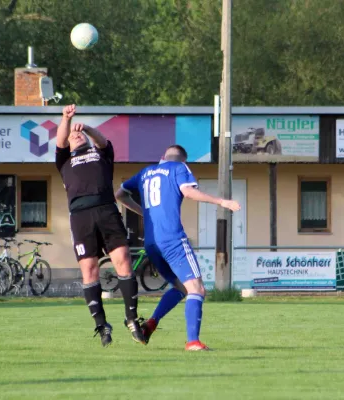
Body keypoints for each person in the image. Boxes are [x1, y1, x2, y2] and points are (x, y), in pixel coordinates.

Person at [115, 144, 240, 351]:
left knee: (181, 288)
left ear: (162, 156)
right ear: (183, 160)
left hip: (152, 242)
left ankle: (151, 324)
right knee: (197, 289)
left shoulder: (146, 172)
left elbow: (120, 194)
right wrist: (221, 201)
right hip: (172, 239)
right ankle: (193, 342)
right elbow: (188, 192)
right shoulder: (179, 168)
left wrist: (145, 214)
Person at [55, 104, 145, 347]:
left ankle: (131, 318)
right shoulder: (65, 160)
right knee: (90, 271)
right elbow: (61, 141)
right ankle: (102, 325)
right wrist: (66, 118)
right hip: (80, 217)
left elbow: (104, 141)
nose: (76, 135)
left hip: (106, 210)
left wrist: (87, 128)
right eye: (73, 136)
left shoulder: (100, 154)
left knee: (123, 260)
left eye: (79, 134)